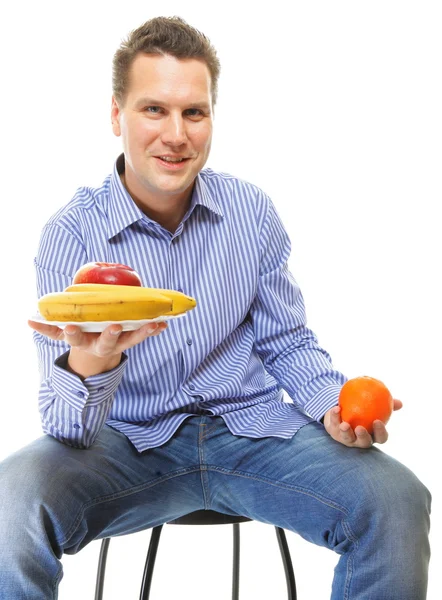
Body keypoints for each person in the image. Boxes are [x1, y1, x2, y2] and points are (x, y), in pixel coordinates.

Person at [0, 16, 431, 600]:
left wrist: (335, 407)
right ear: (115, 115)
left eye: (193, 113)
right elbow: (66, 428)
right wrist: (90, 367)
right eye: (154, 109)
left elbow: (288, 343)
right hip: (125, 443)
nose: (176, 134)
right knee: (10, 500)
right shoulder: (72, 235)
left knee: (397, 500)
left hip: (250, 435)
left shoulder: (250, 212)